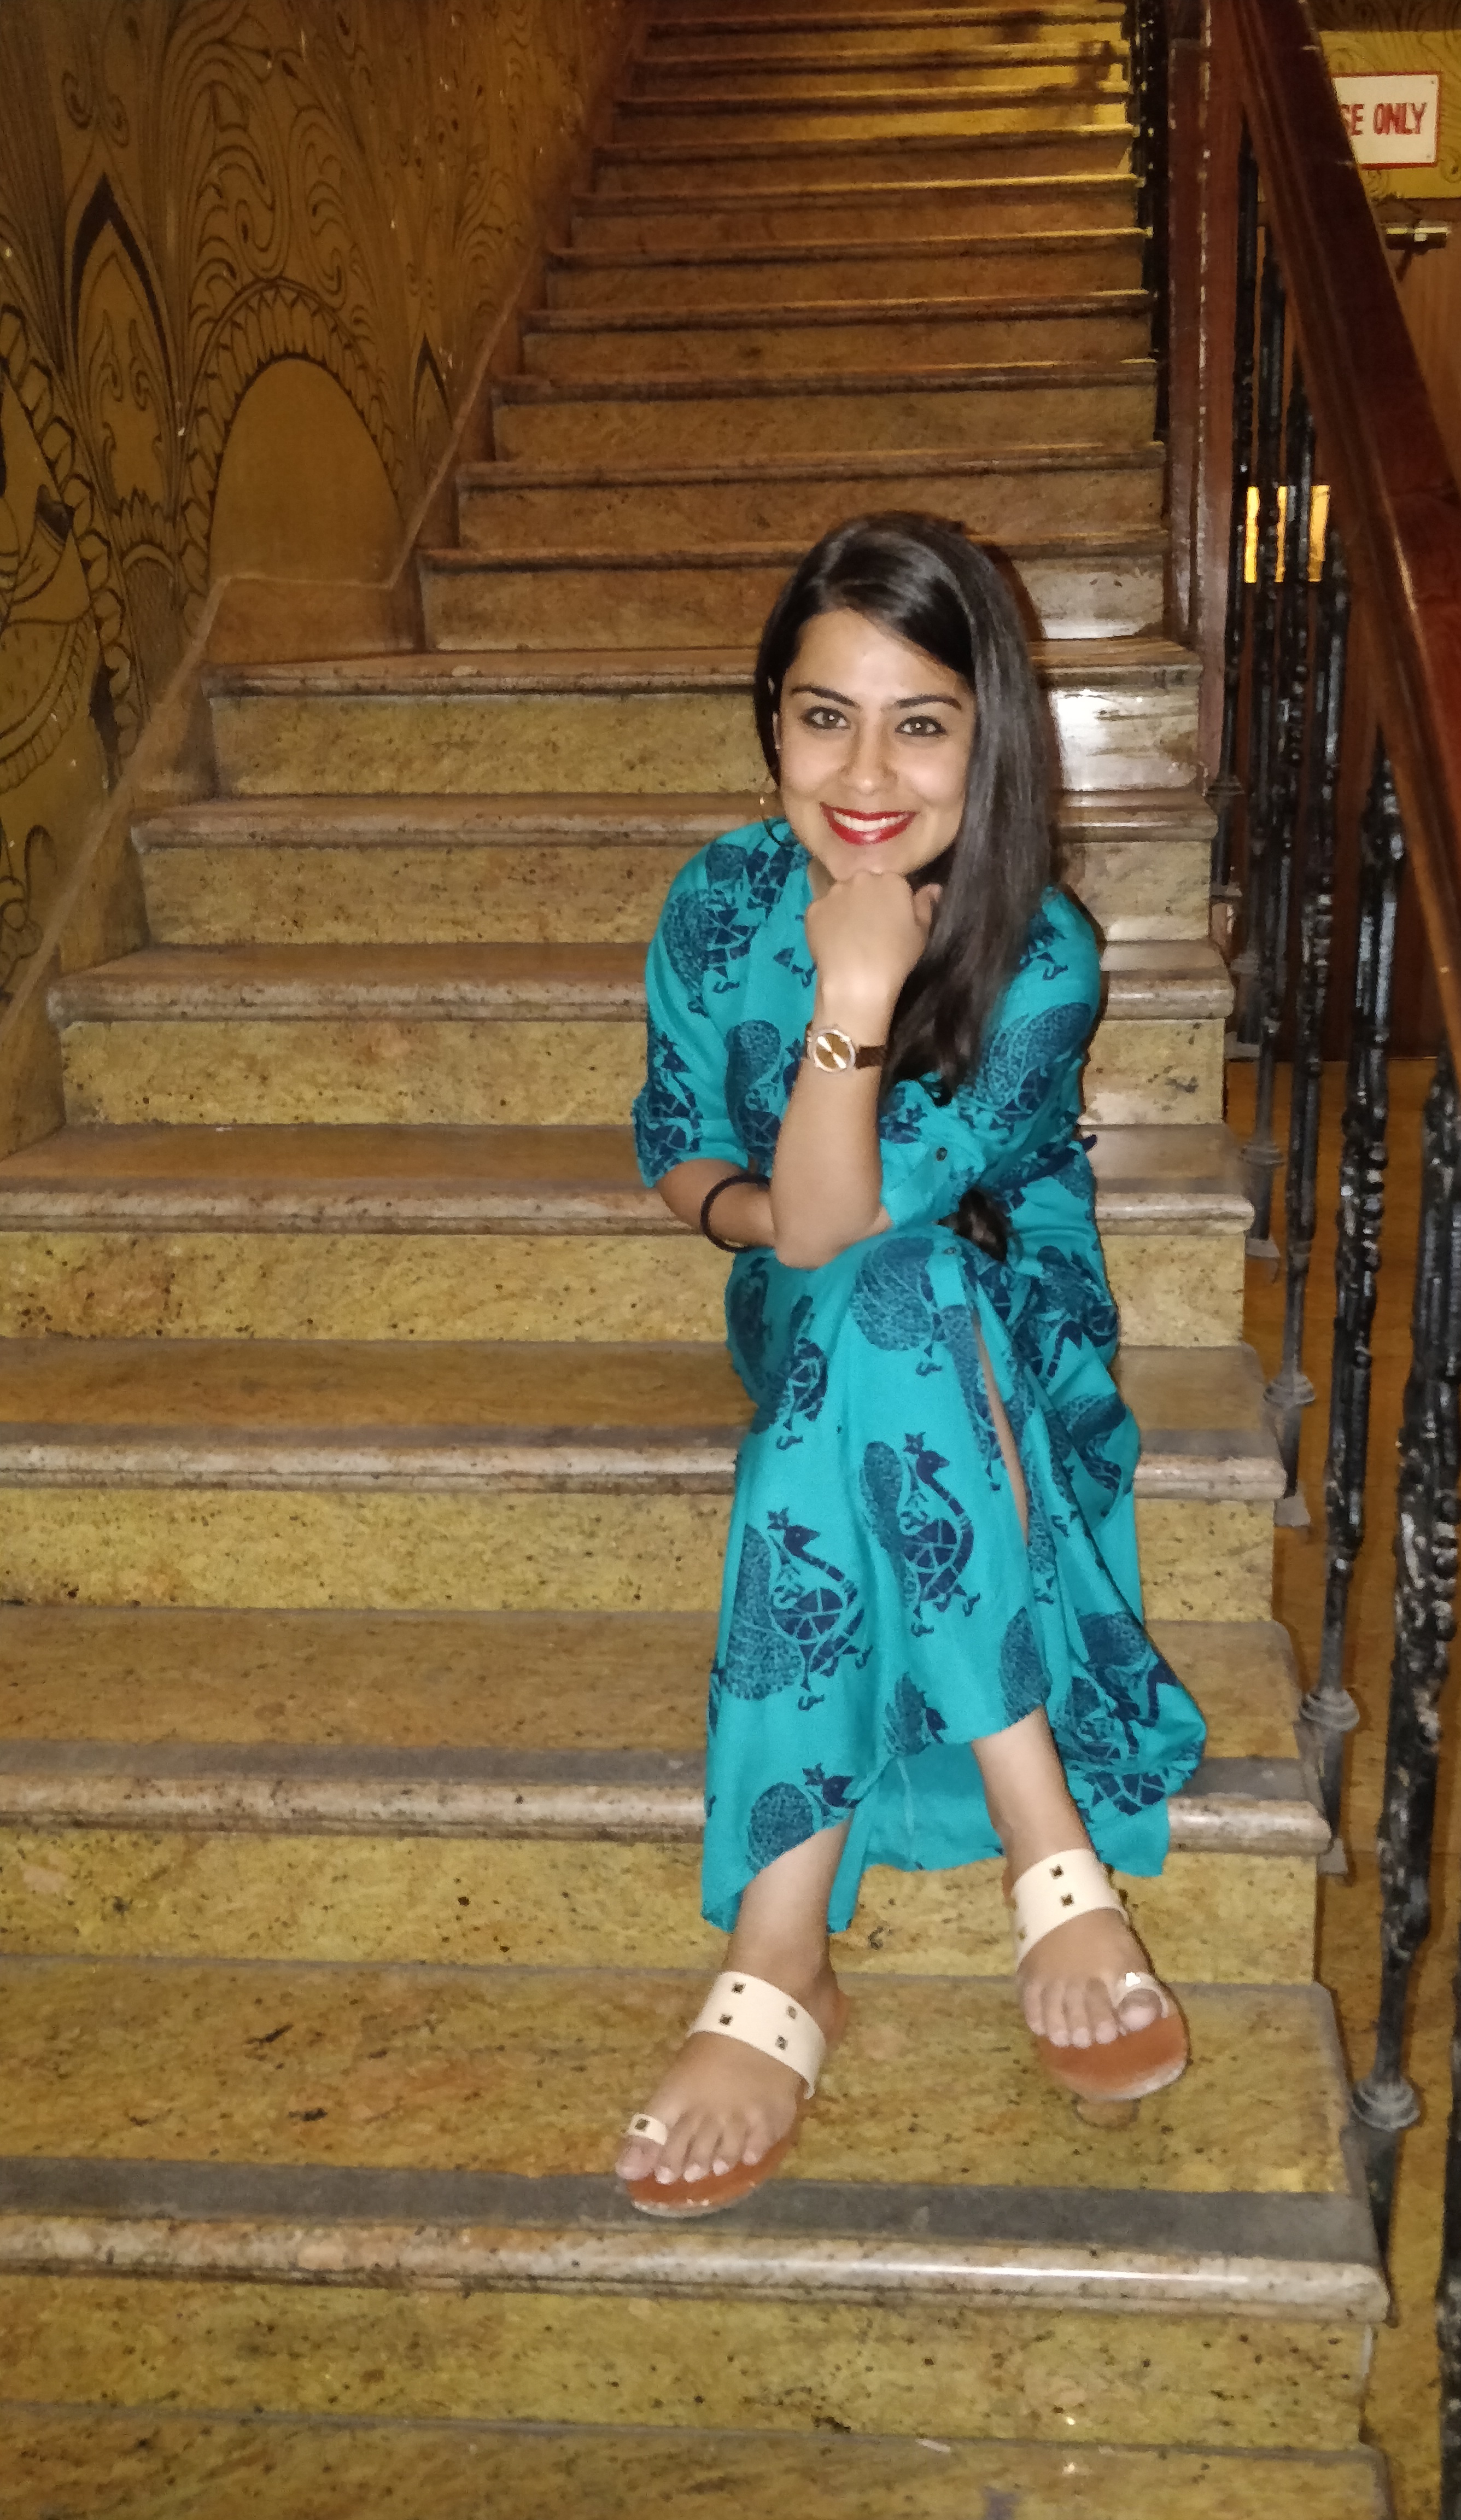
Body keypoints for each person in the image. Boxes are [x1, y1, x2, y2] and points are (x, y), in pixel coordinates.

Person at [616, 514, 1206, 2217]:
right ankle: (1053, 1859)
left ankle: (781, 1950)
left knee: (903, 1287)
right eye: (825, 717)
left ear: (987, 734)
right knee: (865, 1293)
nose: (866, 774)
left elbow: (854, 1226)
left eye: (921, 724)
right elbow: (689, 1154)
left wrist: (861, 994)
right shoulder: (721, 900)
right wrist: (754, 1200)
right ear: (771, 724)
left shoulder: (1045, 951)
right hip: (797, 1298)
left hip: (1006, 1319)